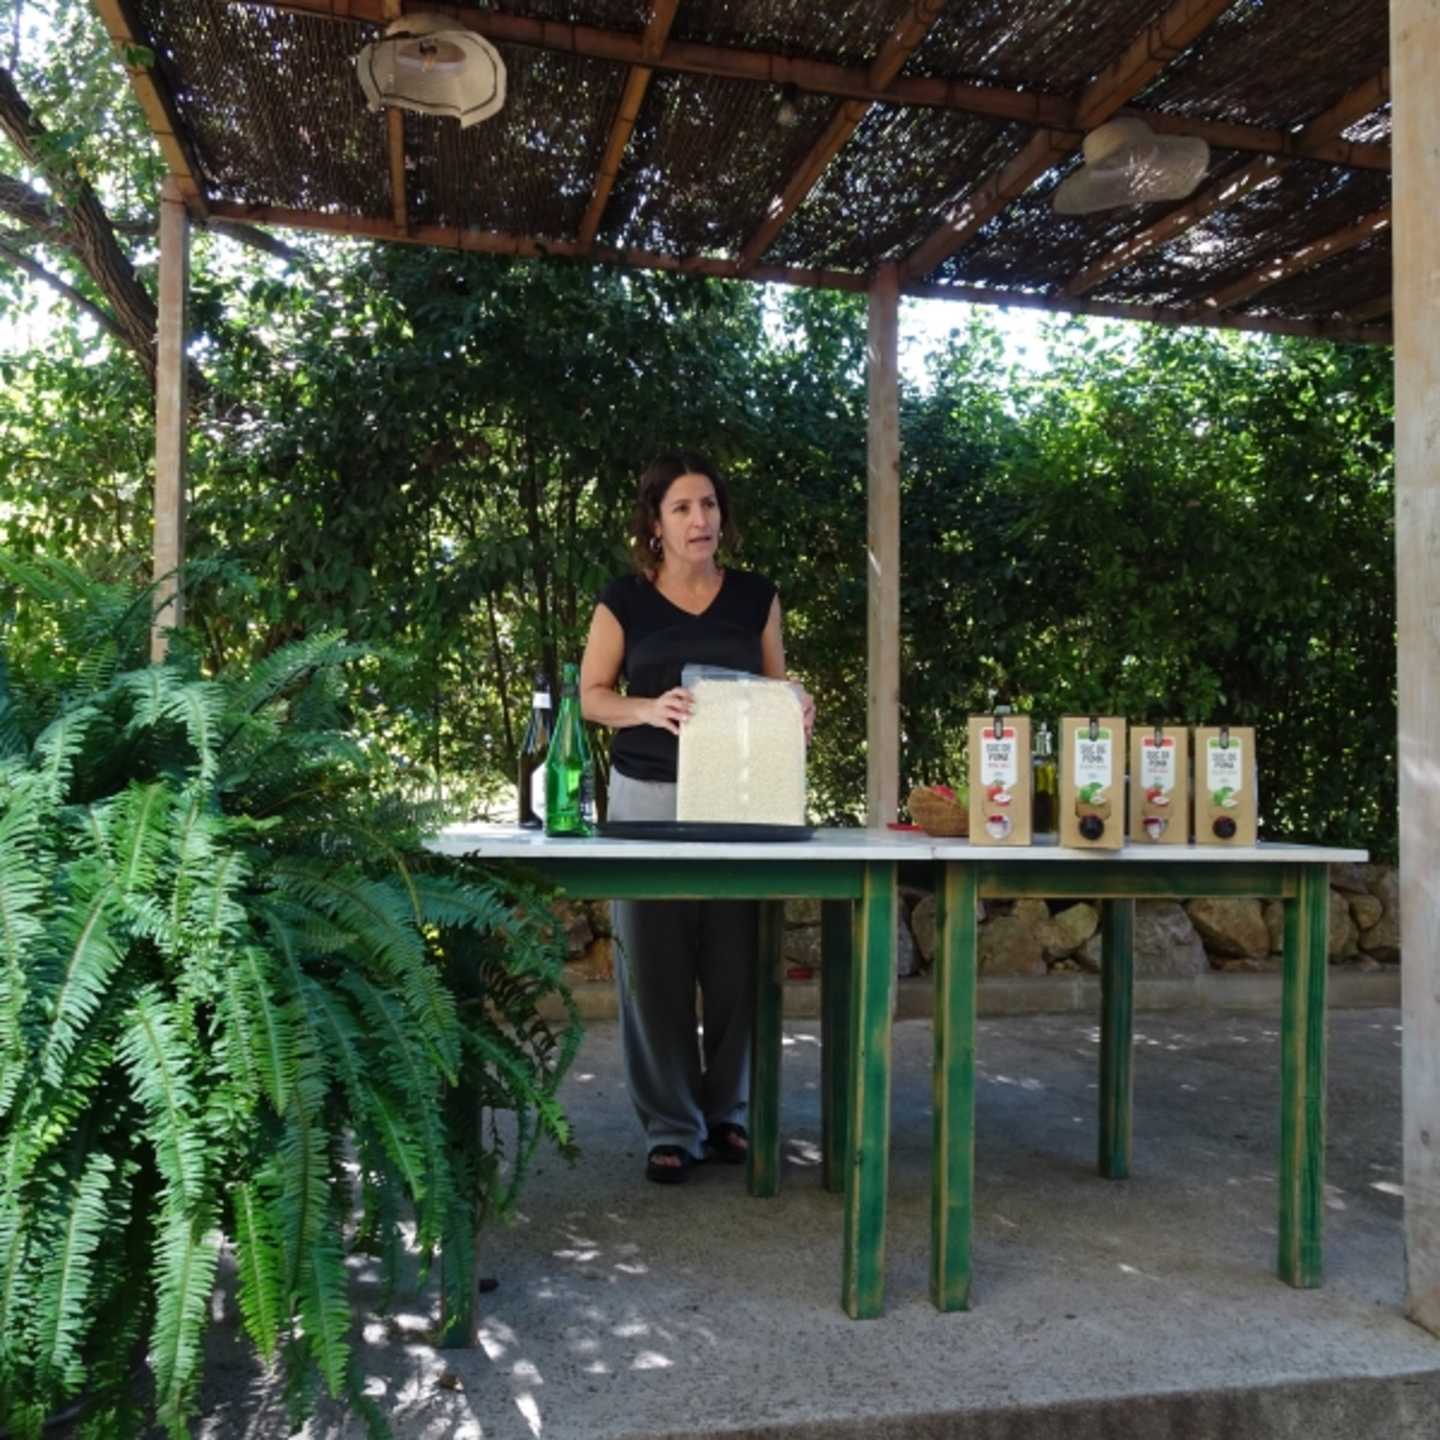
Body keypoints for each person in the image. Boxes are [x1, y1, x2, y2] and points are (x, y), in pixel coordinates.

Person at [580, 453, 815, 1185]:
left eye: (708, 505)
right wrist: (647, 707)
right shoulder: (625, 600)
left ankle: (730, 1114)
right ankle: (672, 1126)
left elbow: (776, 690)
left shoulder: (756, 598)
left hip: (743, 800)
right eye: (682, 508)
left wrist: (798, 705)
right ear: (656, 524)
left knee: (738, 960)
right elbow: (591, 694)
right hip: (646, 795)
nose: (699, 520)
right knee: (654, 966)